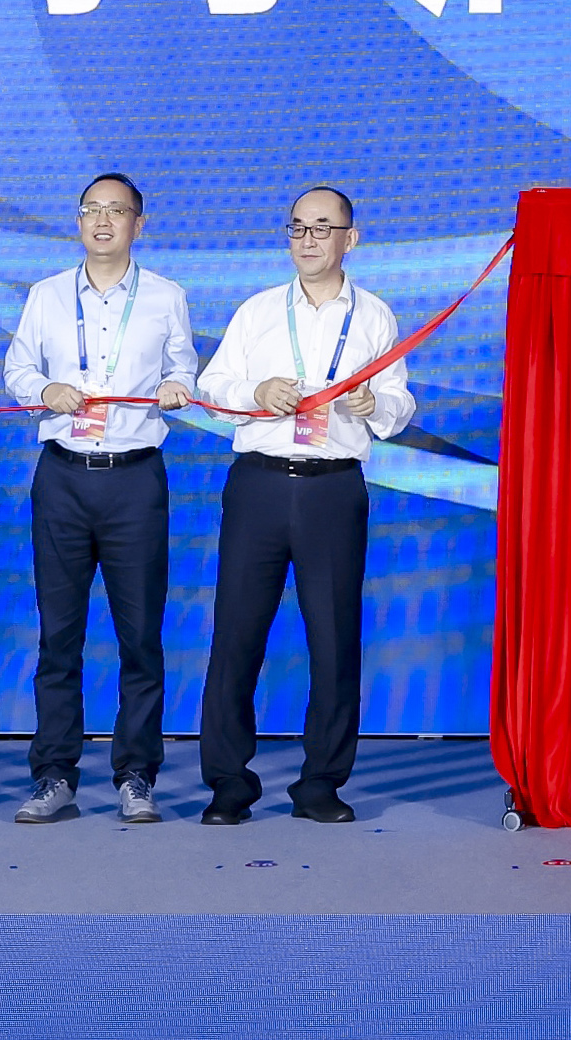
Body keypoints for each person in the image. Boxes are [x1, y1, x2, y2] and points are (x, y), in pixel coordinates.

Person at [196, 186, 413, 825]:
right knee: (236, 634)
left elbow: (399, 402)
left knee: (334, 638)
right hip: (259, 485)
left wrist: (376, 405)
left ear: (352, 239)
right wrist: (257, 390)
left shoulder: (375, 316)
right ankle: (228, 783)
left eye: (322, 227)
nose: (308, 239)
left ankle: (321, 784)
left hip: (333, 489)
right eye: (298, 228)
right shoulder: (258, 310)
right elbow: (213, 386)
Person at [4, 173, 197, 826]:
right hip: (62, 477)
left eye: (117, 211)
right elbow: (18, 369)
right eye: (92, 210)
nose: (104, 221)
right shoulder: (47, 295)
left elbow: (184, 367)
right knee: (58, 636)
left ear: (139, 224)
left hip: (134, 480)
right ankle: (54, 774)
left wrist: (177, 385)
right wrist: (44, 391)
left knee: (139, 637)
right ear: (79, 221)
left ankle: (136, 774)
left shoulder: (166, 296)